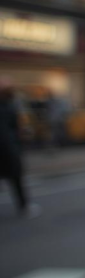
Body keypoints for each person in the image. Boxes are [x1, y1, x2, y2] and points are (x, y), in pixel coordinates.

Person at [0, 80, 40, 219]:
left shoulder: (11, 105)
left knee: (15, 179)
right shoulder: (8, 106)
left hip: (9, 149)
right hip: (9, 150)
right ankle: (23, 206)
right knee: (16, 179)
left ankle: (24, 206)